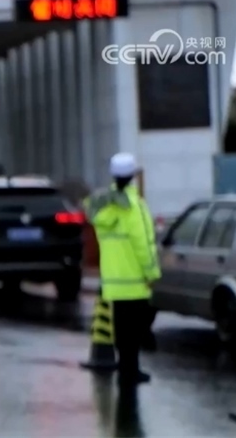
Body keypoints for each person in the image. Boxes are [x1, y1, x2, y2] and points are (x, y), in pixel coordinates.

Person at [83, 152, 160, 386]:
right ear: (133, 176)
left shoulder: (103, 205)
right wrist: (151, 272)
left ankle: (126, 370)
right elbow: (143, 243)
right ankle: (131, 371)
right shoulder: (133, 207)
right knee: (136, 329)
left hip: (114, 280)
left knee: (122, 328)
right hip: (135, 279)